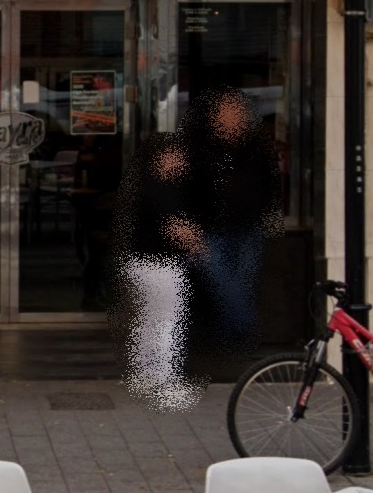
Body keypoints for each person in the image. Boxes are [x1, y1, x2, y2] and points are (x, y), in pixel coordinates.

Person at [108, 86, 283, 412]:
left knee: (153, 321)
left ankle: (147, 376)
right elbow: (174, 224)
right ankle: (164, 382)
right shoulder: (169, 182)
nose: (181, 161)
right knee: (167, 322)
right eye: (174, 157)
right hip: (162, 261)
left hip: (156, 259)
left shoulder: (160, 184)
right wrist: (196, 241)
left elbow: (266, 184)